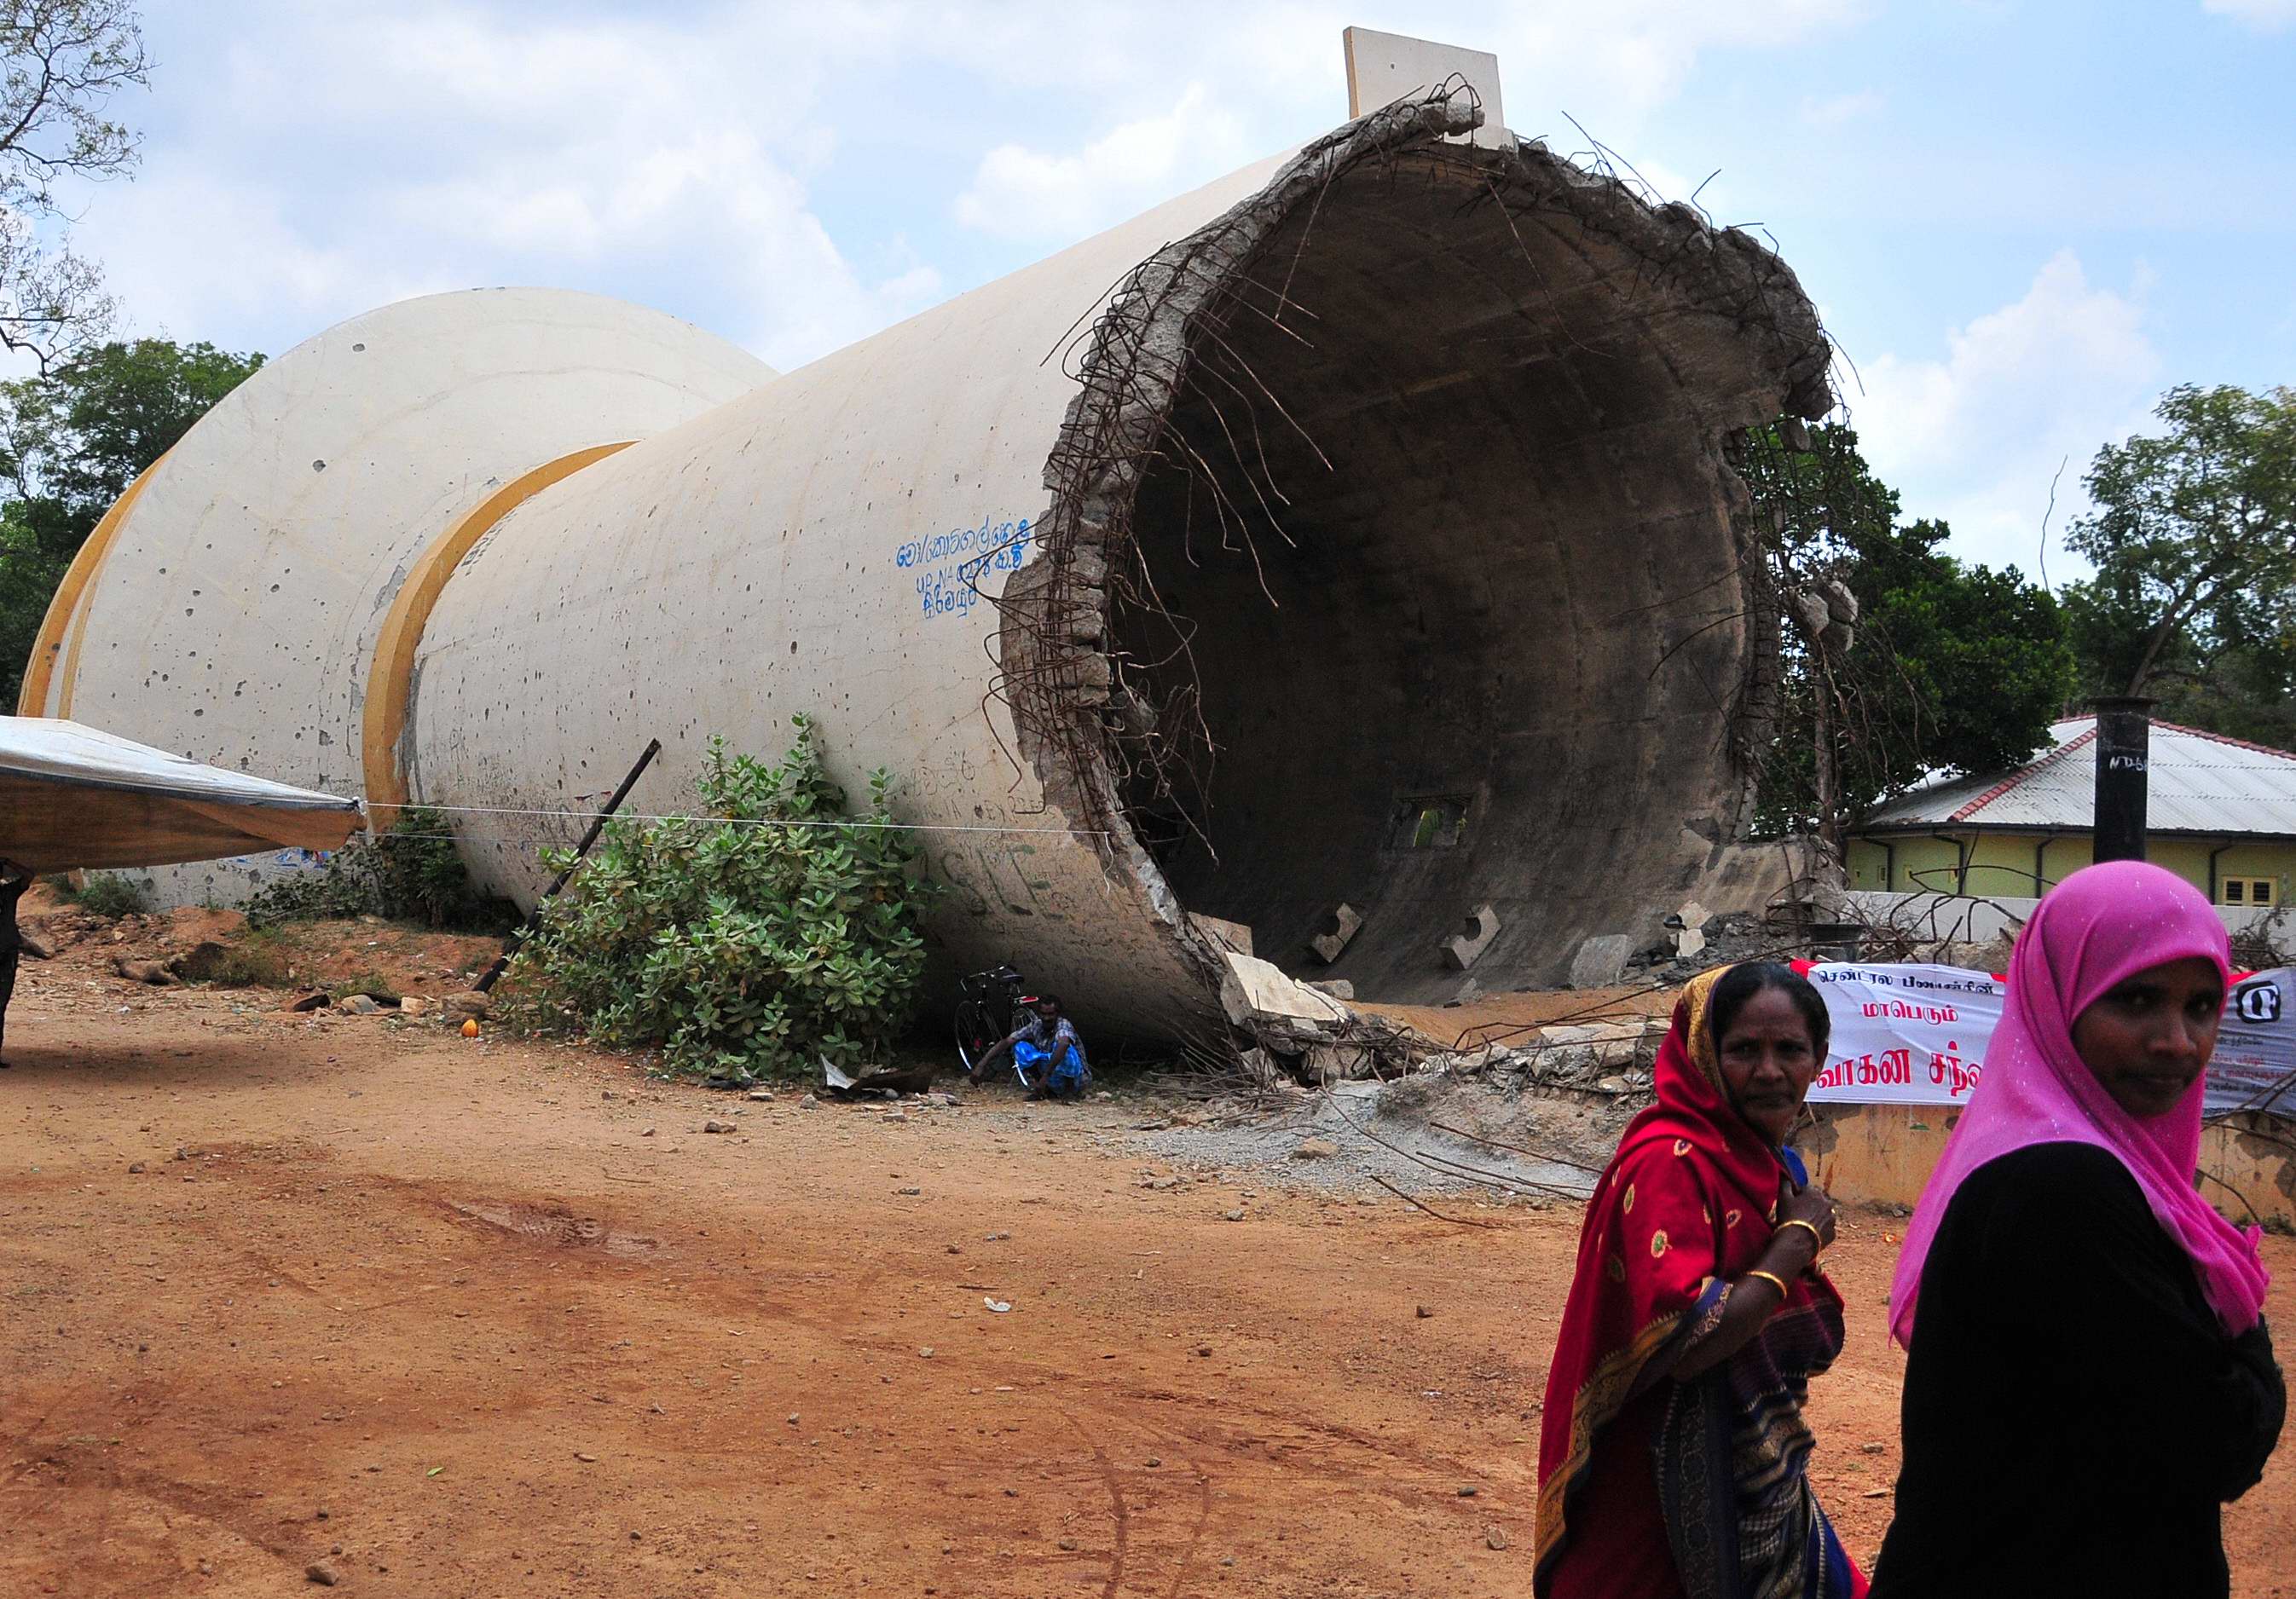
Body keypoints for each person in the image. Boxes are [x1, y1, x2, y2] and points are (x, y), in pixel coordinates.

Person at [1870, 861, 2283, 1598]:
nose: (2176, 1042)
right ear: (2056, 1001)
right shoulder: (2060, 1188)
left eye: (2201, 1006)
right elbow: (2221, 1440)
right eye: (2135, 999)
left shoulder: (2057, 1162)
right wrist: (2242, 1326)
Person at [1535, 961, 1865, 1599]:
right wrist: (1796, 1242)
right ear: (1703, 1057)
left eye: (1789, 1050)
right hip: (1663, 1477)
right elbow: (1689, 1343)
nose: (1769, 1072)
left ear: (1819, 1057)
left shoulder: (1767, 1160)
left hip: (1753, 1465)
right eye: (1743, 1050)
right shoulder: (1669, 1162)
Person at [971, 993, 1090, 1100]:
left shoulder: (1063, 1025)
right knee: (1020, 1048)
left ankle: (1069, 1093)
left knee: (1065, 1049)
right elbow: (1007, 1041)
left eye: (1050, 1014)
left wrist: (1045, 1076)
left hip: (1076, 1080)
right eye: (1043, 1014)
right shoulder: (1036, 1025)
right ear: (1039, 1014)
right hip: (1050, 1076)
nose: (1047, 1018)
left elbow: (1063, 1043)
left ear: (1057, 1014)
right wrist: (982, 1064)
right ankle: (1044, 1090)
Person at [0, 858, 30, 1069]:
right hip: (7, 951)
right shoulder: (9, 892)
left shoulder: (8, 892)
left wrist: (10, 862)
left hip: (7, 952)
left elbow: (29, 877)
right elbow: (28, 876)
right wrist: (11, 863)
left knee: (0, 1005)